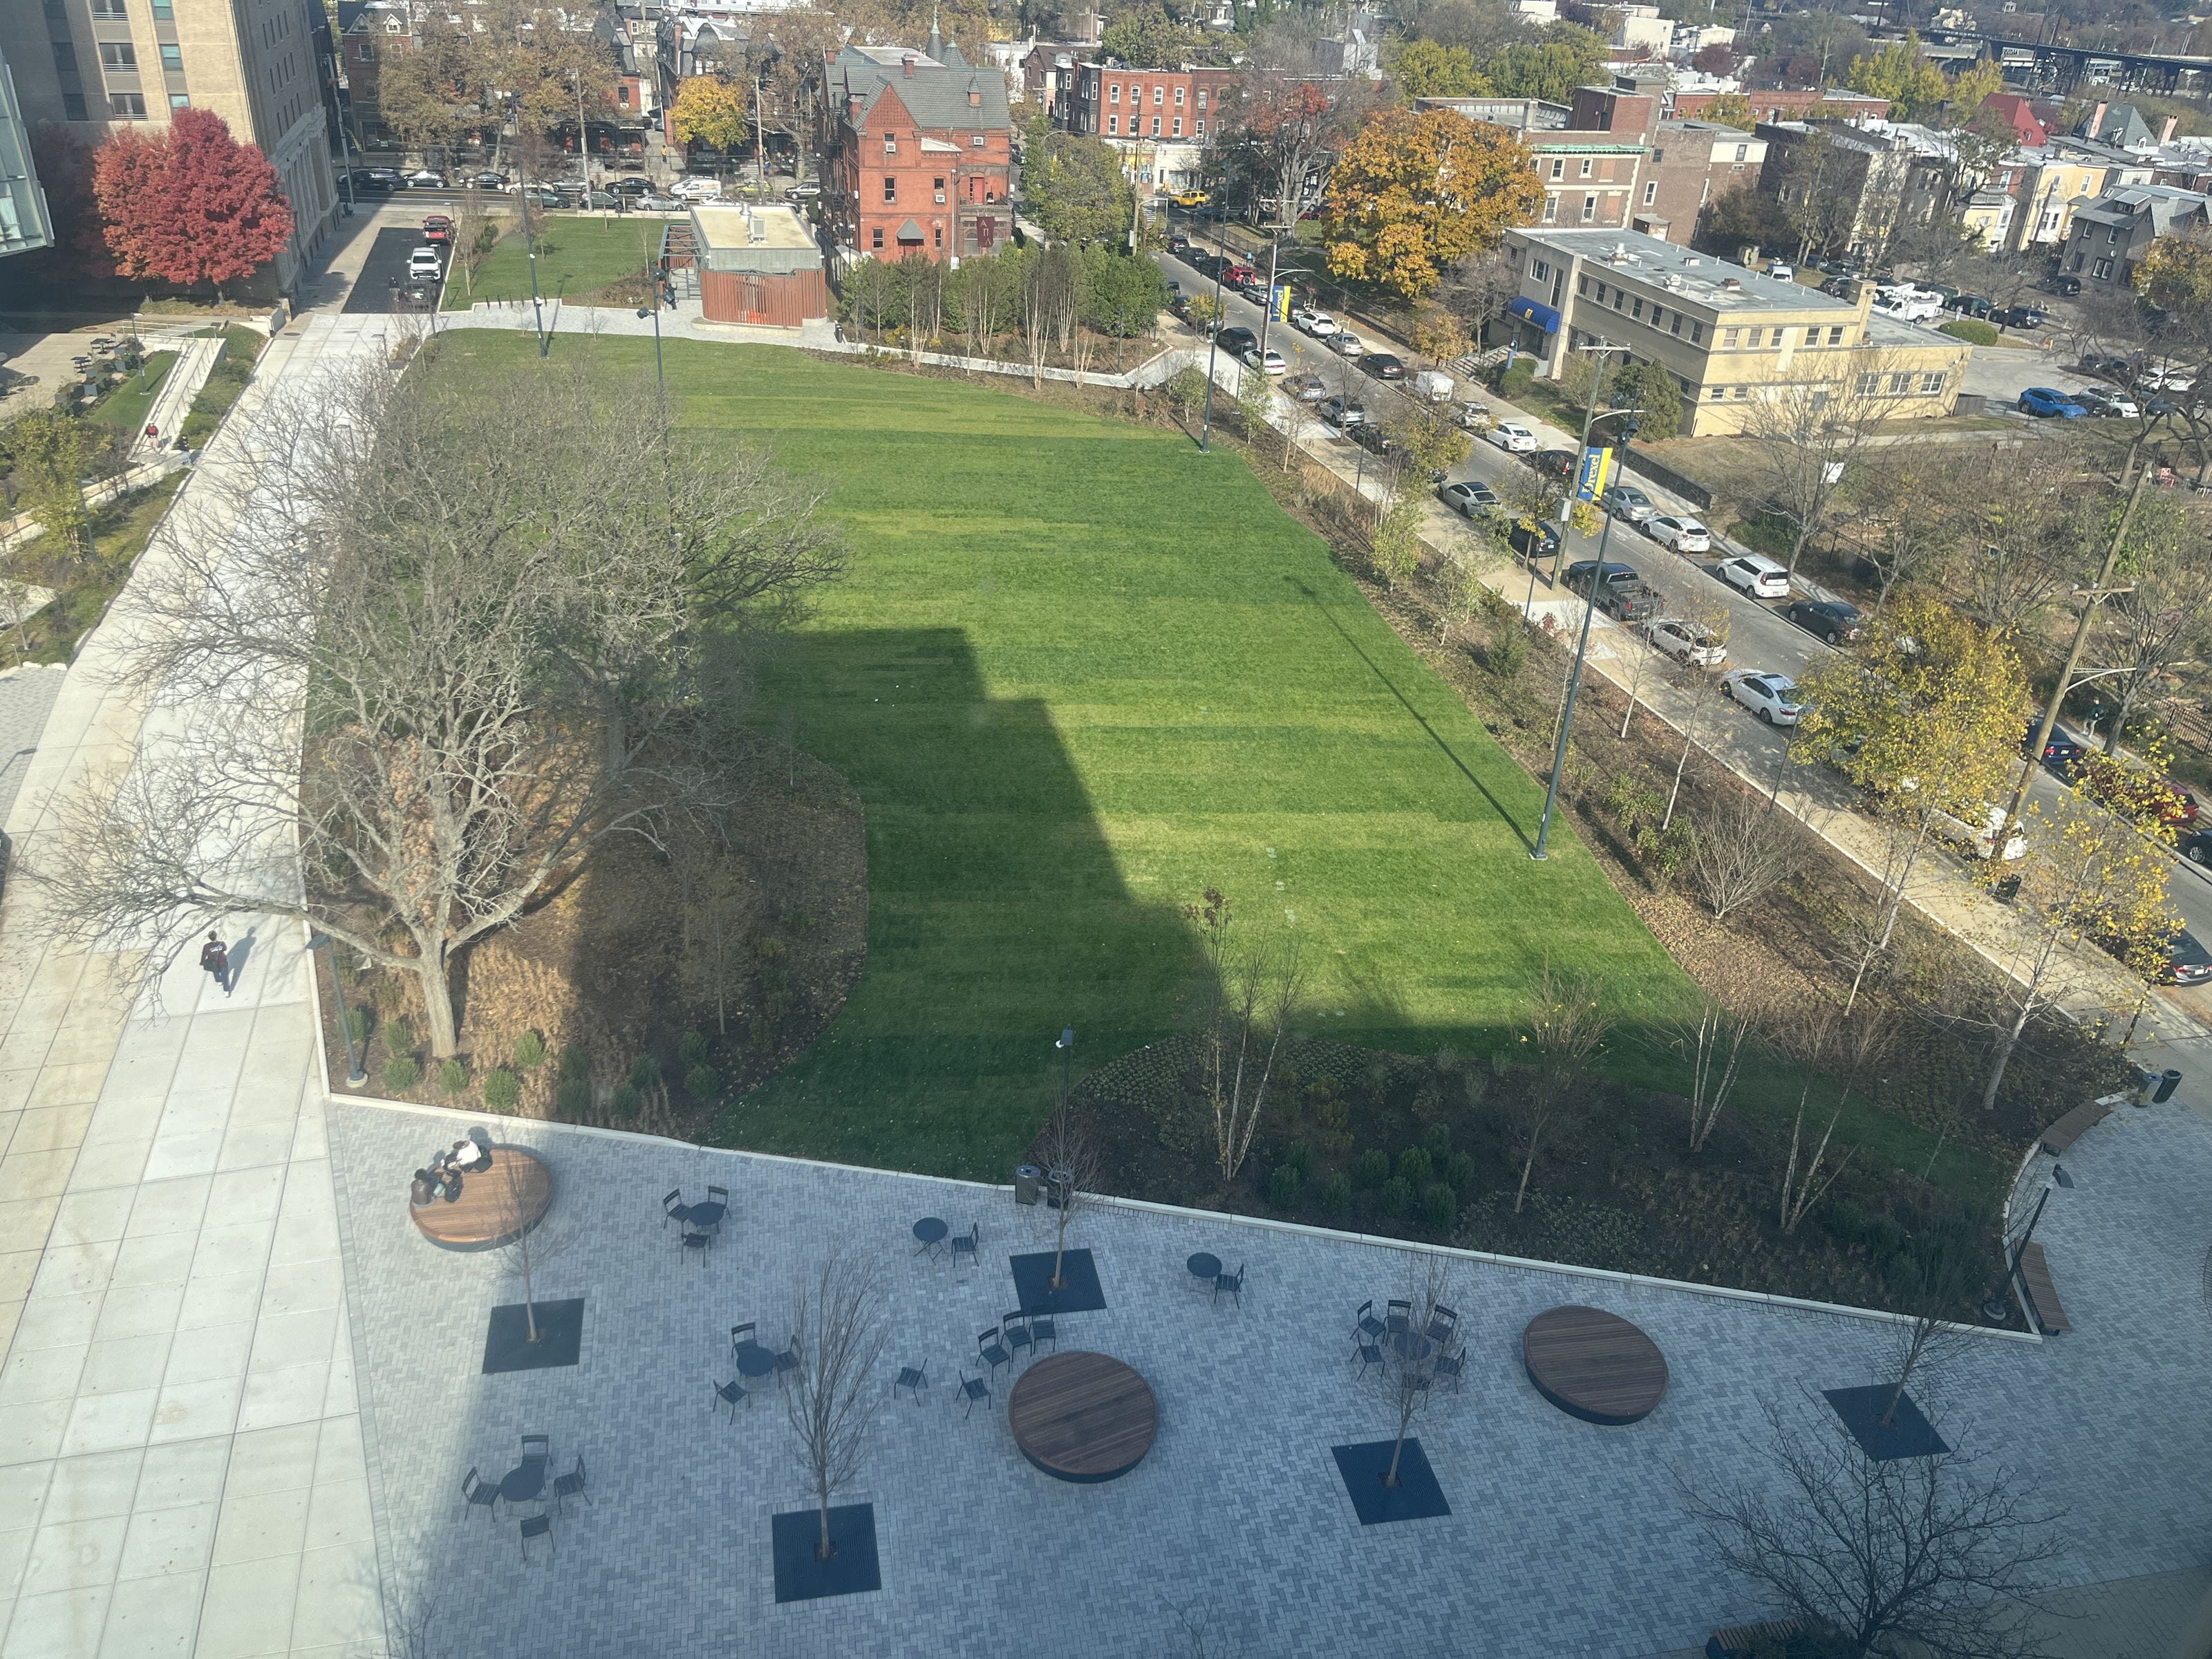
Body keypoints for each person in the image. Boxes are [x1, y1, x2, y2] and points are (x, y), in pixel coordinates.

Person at [198, 930, 229, 995]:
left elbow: (204, 955)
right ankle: (226, 991)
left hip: (213, 962)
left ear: (209, 938)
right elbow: (225, 948)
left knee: (215, 971)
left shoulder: (207, 946)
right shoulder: (222, 944)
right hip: (223, 962)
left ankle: (219, 981)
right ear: (216, 936)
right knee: (225, 977)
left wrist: (202, 962)